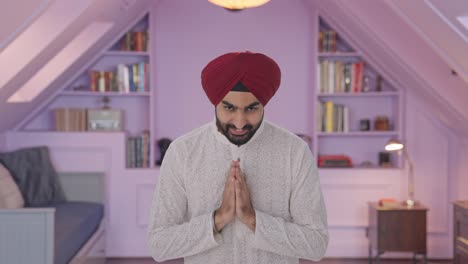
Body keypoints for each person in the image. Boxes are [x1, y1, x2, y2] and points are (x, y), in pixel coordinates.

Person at [147, 51, 328, 264]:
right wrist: (218, 219)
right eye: (229, 107)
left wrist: (253, 220)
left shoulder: (294, 152)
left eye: (251, 108)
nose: (240, 122)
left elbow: (316, 244)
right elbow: (159, 244)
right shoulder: (182, 152)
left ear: (264, 104)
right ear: (215, 103)